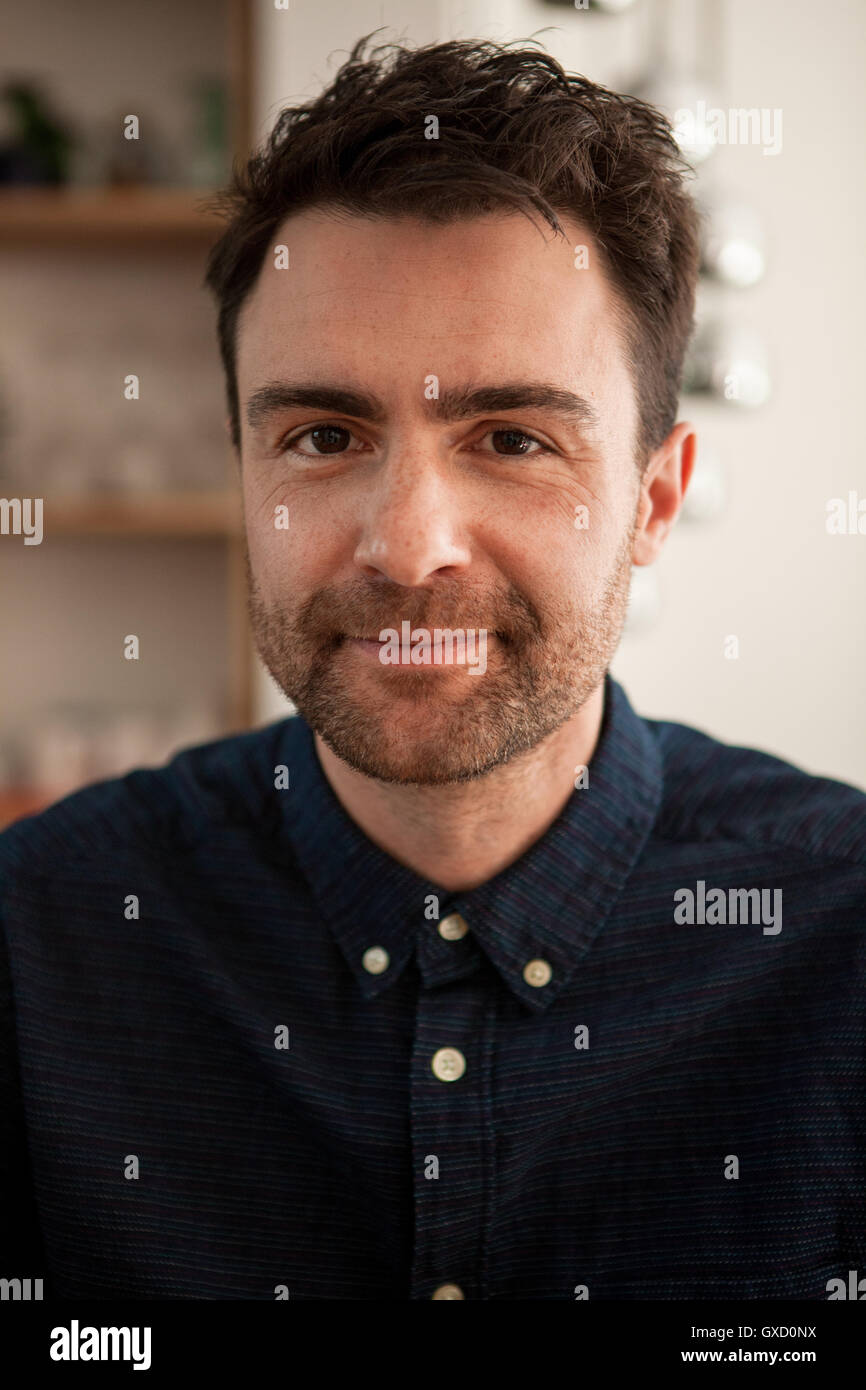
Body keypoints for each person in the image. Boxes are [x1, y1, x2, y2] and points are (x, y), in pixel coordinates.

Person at [1, 36, 863, 1302]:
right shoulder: (37, 940)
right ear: (243, 471)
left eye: (510, 436)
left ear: (652, 499)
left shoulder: (839, 939)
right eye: (323, 434)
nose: (407, 546)